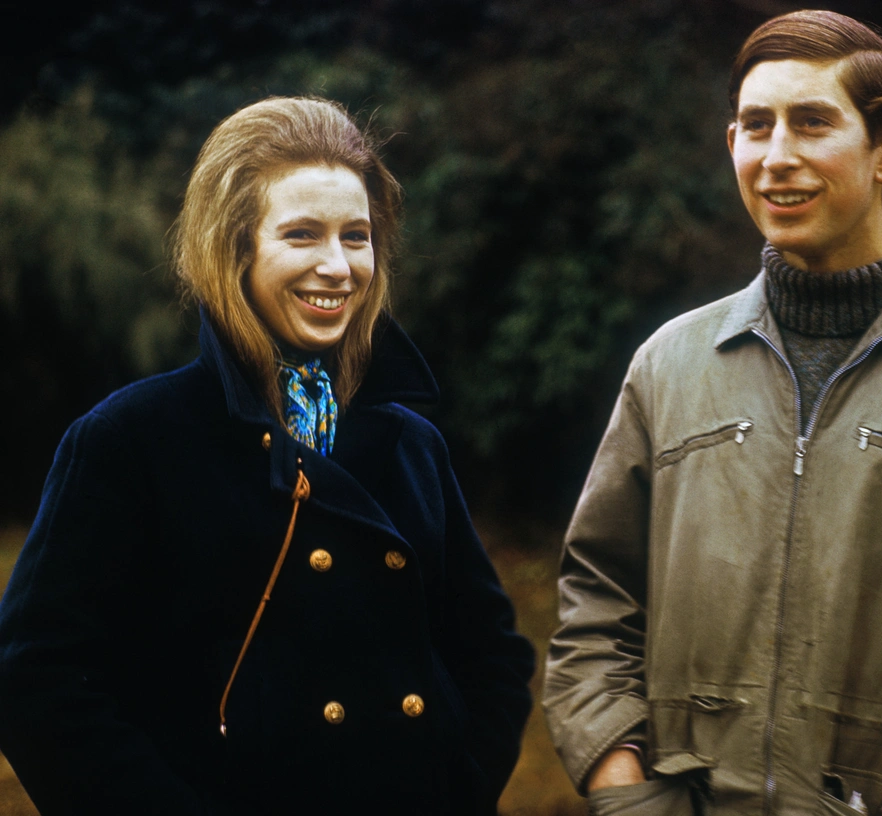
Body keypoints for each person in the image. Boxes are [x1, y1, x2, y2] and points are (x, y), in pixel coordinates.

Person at [544, 10, 882, 816]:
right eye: (755, 126)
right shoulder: (669, 364)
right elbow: (595, 604)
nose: (776, 157)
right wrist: (625, 791)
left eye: (811, 123)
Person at [0, 96, 534, 815]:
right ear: (235, 250)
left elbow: (493, 655)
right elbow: (37, 681)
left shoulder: (413, 443)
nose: (337, 267)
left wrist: (459, 788)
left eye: (356, 236)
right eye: (302, 234)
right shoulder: (130, 439)